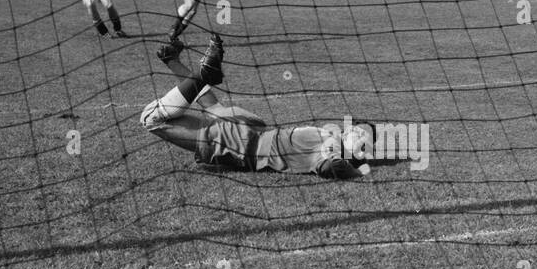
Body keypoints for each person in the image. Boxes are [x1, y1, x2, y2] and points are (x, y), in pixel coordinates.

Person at [141, 36, 374, 179]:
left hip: (247, 139)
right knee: (152, 119)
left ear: (359, 151)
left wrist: (356, 169)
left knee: (208, 106)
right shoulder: (331, 137)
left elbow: (329, 167)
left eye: (360, 134)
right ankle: (202, 75)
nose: (353, 130)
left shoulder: (332, 153)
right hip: (249, 138)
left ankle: (173, 60)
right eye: (356, 127)